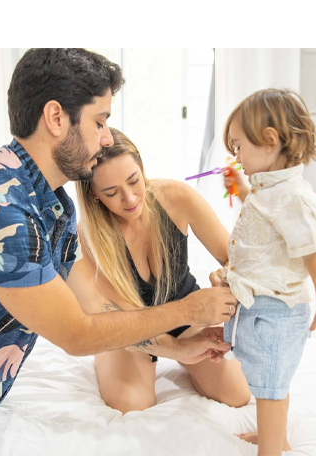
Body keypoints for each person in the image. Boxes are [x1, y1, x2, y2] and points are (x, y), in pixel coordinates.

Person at [0, 48, 237, 444]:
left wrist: (177, 347)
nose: (107, 137)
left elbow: (94, 307)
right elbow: (78, 334)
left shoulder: (53, 207)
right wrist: (189, 310)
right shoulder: (2, 210)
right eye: (100, 121)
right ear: (56, 118)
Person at [72, 128, 251, 413]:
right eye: (112, 192)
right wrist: (177, 349)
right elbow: (117, 319)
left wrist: (225, 277)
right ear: (94, 195)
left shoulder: (176, 196)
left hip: (187, 314)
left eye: (134, 181)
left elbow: (234, 259)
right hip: (131, 331)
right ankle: (110, 356)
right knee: (132, 405)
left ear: (142, 169)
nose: (130, 199)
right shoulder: (90, 239)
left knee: (237, 394)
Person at [212, 88, 316, 455]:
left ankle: (270, 454)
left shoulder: (293, 197)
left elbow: (315, 256)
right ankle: (277, 438)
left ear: (270, 141)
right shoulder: (272, 190)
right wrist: (241, 189)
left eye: (239, 146)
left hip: (275, 312)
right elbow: (266, 215)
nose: (236, 156)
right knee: (271, 384)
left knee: (270, 389)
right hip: (263, 308)